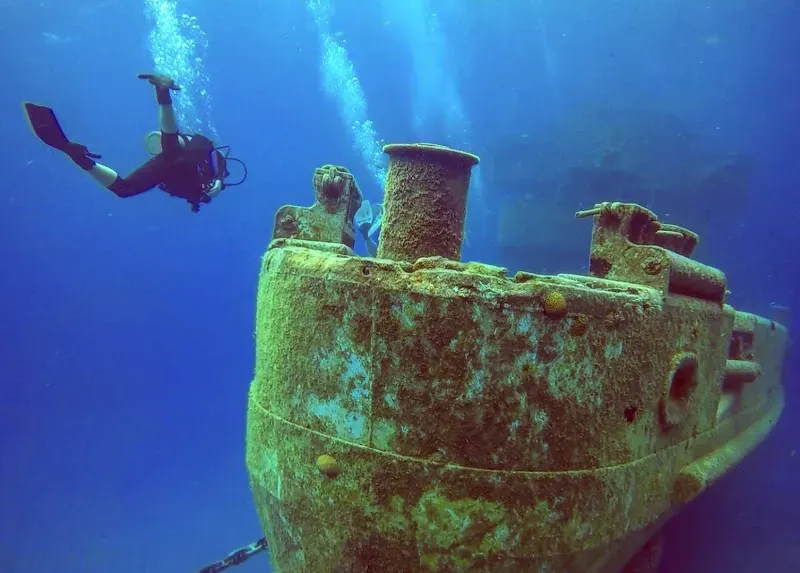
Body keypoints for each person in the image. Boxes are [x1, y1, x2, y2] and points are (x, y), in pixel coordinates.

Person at [23, 73, 246, 213]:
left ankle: (79, 158)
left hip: (170, 165)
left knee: (124, 188)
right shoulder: (214, 167)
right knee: (171, 150)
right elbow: (216, 179)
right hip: (180, 161)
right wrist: (212, 189)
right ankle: (163, 93)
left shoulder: (192, 175)